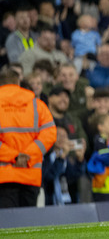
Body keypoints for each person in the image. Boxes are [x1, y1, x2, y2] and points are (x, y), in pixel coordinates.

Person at [0, 69, 57, 208]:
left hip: (4, 176)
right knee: (28, 224)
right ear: (18, 82)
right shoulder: (37, 105)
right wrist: (27, 155)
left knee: (7, 225)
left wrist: (15, 156)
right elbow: (50, 134)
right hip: (31, 174)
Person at [41, 126, 86, 205]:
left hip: (66, 203)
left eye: (64, 136)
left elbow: (74, 176)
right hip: (50, 203)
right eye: (59, 135)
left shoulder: (66, 159)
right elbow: (49, 176)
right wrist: (62, 157)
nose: (62, 138)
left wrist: (80, 159)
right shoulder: (45, 157)